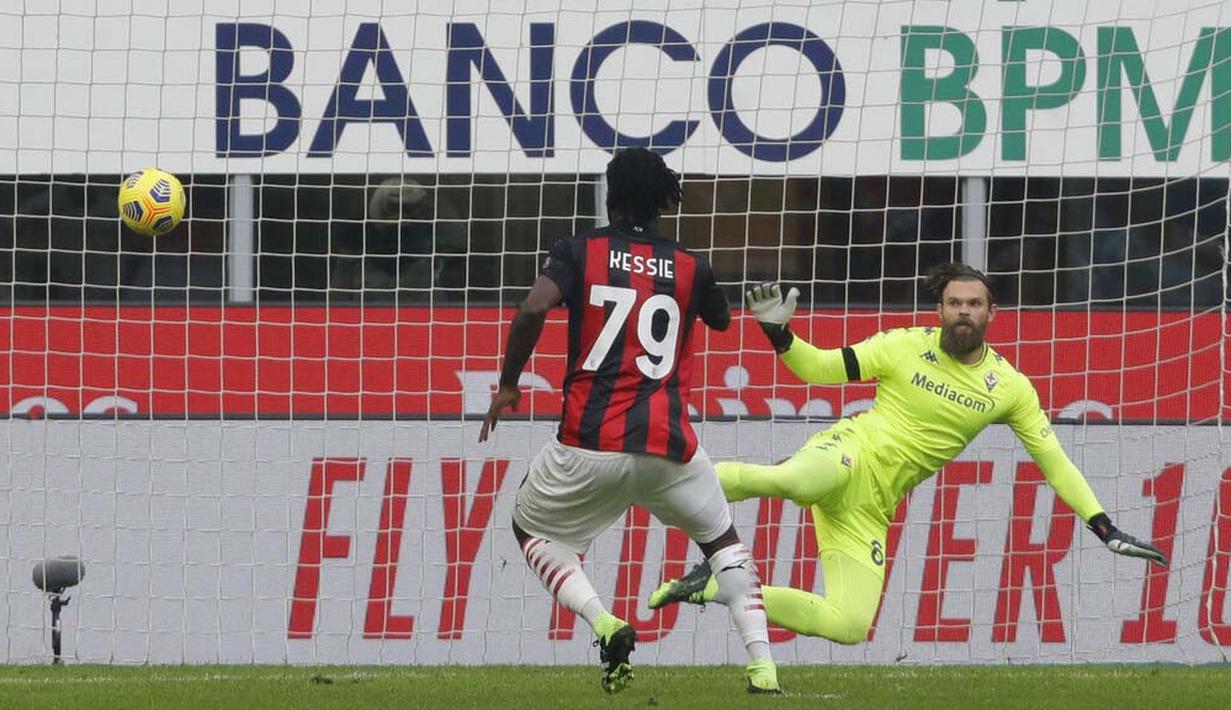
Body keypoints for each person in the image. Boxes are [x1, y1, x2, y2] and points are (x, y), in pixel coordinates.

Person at [649, 263, 1167, 646]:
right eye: (955, 303)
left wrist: (1104, 527)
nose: (964, 311)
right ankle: (662, 479)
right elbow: (820, 368)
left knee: (849, 625)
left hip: (873, 505)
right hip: (851, 450)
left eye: (974, 304)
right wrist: (780, 334)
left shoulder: (1010, 388)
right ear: (940, 310)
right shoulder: (901, 345)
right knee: (797, 482)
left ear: (991, 314)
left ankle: (712, 586)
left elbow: (1055, 462)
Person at [479, 147, 779, 694]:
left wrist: (507, 384)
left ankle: (605, 623)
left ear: (612, 197)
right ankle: (763, 664)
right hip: (670, 448)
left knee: (530, 528)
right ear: (665, 201)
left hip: (588, 446)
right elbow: (721, 319)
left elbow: (531, 308)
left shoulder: (579, 251)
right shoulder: (691, 265)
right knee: (724, 545)